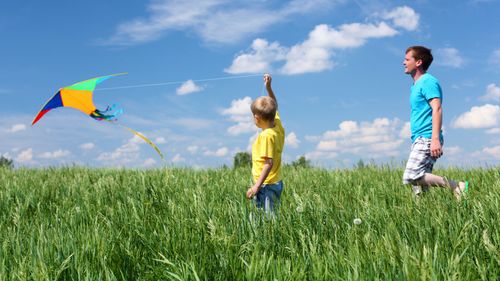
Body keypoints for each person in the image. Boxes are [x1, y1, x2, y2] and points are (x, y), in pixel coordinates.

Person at [402, 46, 468, 198]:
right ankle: (421, 216)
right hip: (419, 137)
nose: (403, 62)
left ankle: (456, 186)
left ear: (418, 62)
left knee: (412, 176)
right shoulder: (415, 86)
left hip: (427, 137)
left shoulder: (428, 81)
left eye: (407, 59)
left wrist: (435, 139)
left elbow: (437, 108)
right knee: (419, 188)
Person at [246, 74, 285, 213]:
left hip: (266, 185)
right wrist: (269, 88)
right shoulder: (277, 126)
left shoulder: (266, 136)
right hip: (274, 182)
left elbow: (268, 163)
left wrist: (256, 186)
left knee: (268, 220)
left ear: (257, 118)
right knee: (265, 217)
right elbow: (275, 105)